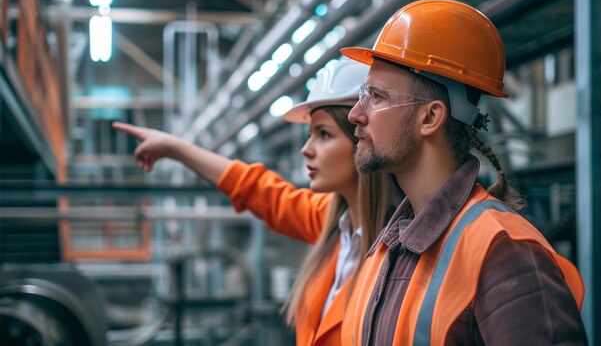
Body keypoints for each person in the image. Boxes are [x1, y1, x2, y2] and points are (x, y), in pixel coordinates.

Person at [338, 0, 587, 345]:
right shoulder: (388, 246)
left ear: (430, 118)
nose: (355, 114)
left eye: (376, 97)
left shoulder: (505, 253)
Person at [112, 58, 403, 346]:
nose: (306, 149)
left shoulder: (399, 255)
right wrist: (176, 149)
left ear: (363, 141)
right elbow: (258, 190)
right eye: (309, 134)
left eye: (324, 134)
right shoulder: (334, 225)